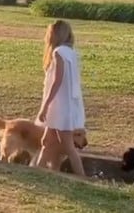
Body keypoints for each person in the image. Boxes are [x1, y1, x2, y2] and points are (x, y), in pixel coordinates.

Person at [35, 19, 86, 177]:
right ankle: (36, 171)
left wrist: (45, 105)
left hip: (60, 107)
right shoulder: (71, 52)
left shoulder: (58, 53)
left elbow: (57, 81)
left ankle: (82, 178)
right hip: (64, 106)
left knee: (68, 147)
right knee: (47, 142)